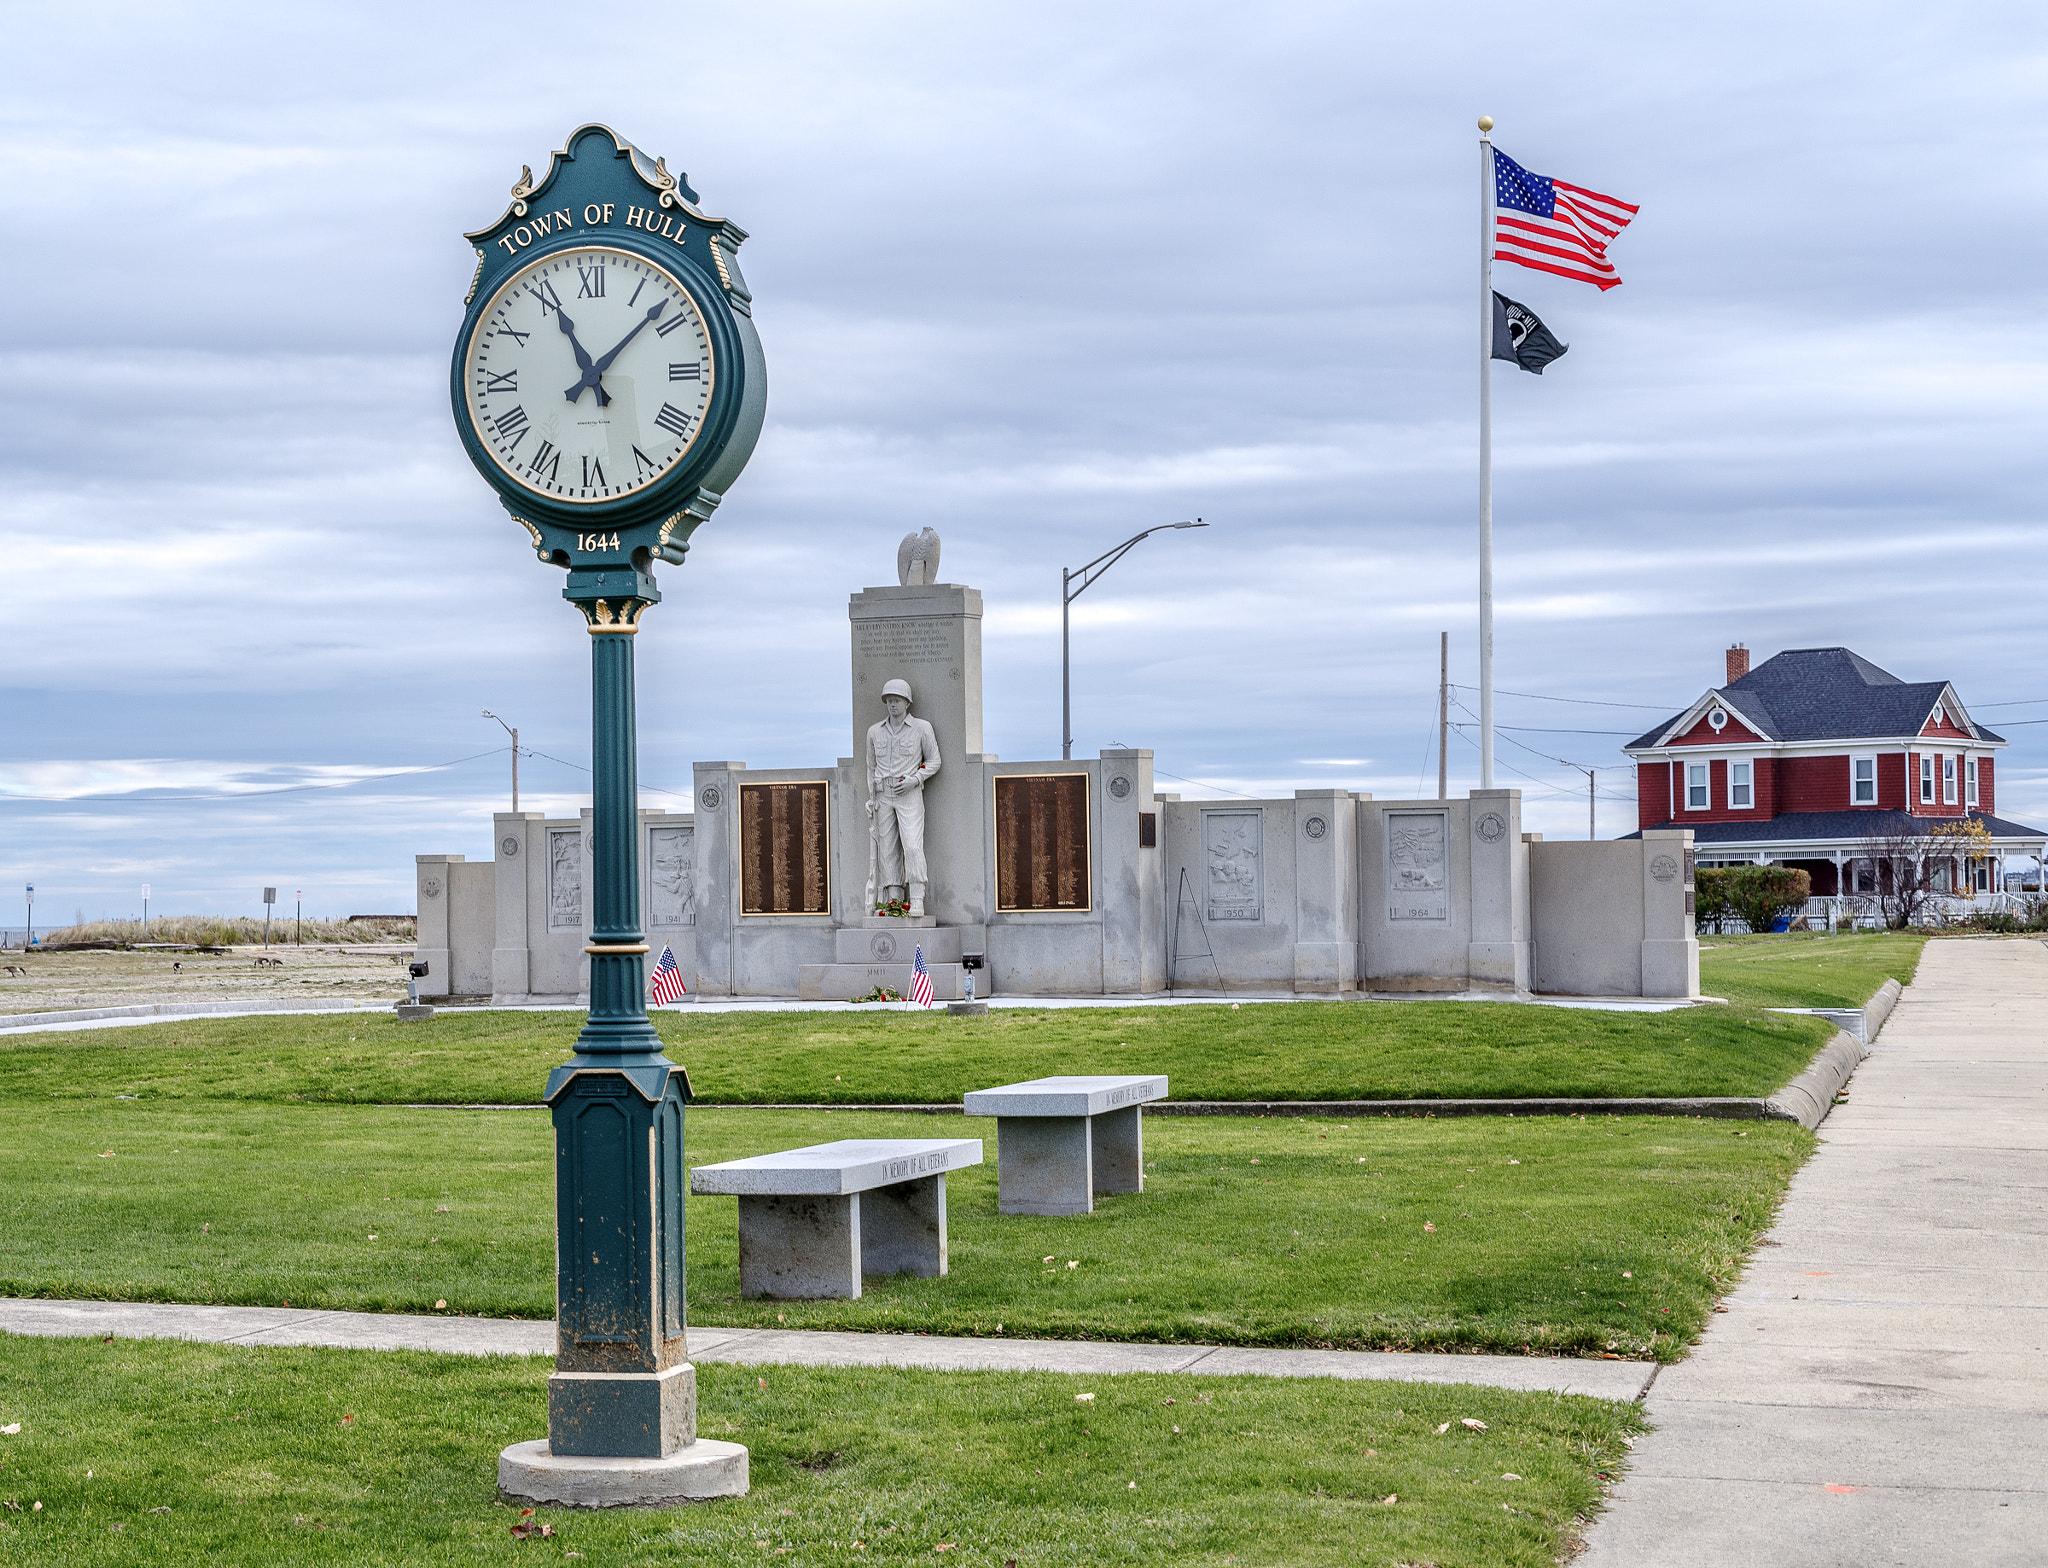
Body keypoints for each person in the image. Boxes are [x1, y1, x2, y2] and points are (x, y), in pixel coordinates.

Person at [865, 678, 941, 917]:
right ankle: (894, 900)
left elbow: (934, 761)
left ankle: (917, 898)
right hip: (883, 796)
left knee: (912, 846)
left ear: (907, 702)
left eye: (897, 700)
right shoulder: (874, 732)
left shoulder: (922, 728)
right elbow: (870, 767)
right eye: (889, 701)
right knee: (887, 850)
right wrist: (871, 797)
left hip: (908, 794)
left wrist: (915, 779)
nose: (892, 705)